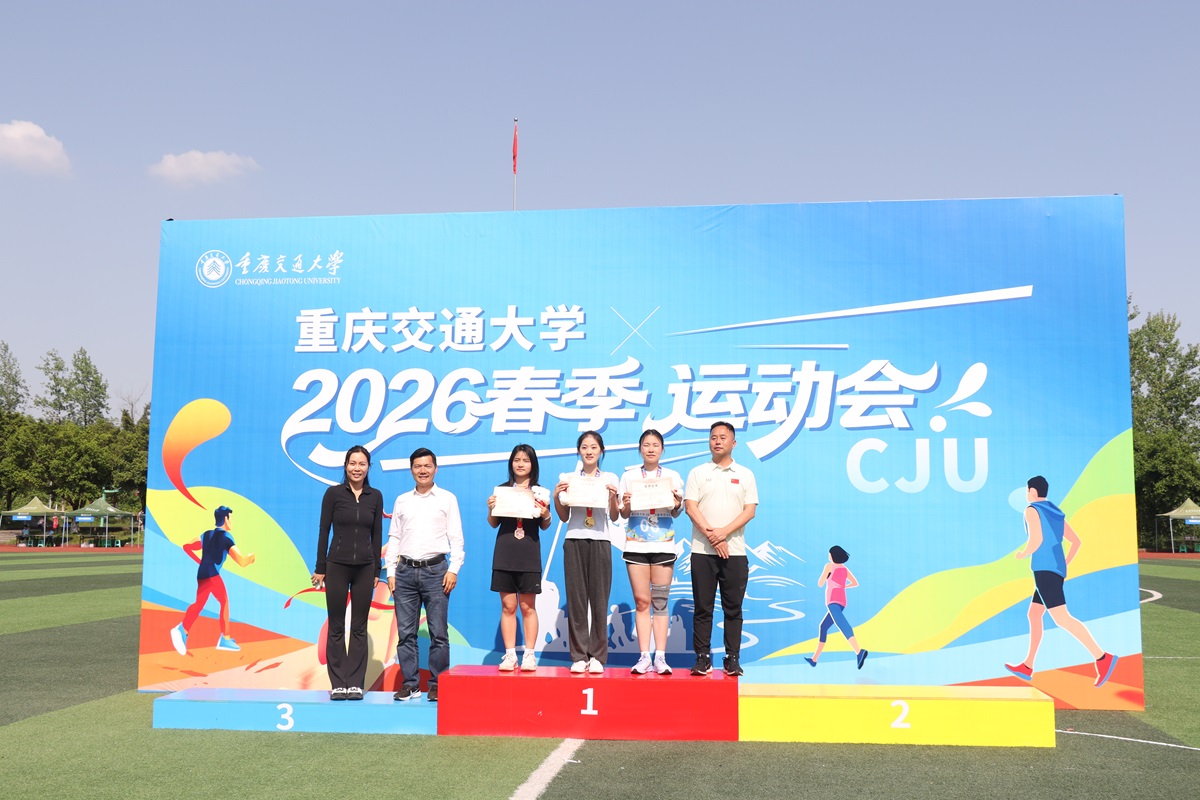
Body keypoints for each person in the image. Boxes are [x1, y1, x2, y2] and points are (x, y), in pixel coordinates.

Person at [1005, 475, 1119, 688]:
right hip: (1055, 569)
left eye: (1027, 490)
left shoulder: (1032, 510)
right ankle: (1028, 665)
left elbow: (1036, 540)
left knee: (1062, 618)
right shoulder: (1055, 511)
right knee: (1034, 613)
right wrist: (1063, 563)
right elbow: (1076, 541)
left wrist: (1023, 554)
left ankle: (1102, 657)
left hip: (1043, 569)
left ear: (1032, 491)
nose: (1027, 493)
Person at [385, 448, 464, 703]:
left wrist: (453, 569)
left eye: (427, 466)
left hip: (436, 572)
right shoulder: (402, 500)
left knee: (438, 633)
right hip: (404, 572)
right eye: (418, 466)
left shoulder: (447, 499)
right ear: (411, 470)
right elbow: (394, 537)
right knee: (405, 633)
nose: (422, 471)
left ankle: (437, 684)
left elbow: (456, 537)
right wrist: (391, 571)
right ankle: (410, 684)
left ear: (435, 469)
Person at [684, 421, 758, 677]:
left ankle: (732, 658)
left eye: (723, 437)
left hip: (734, 552)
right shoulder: (698, 472)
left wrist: (723, 533)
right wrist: (713, 537)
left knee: (733, 608)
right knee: (703, 608)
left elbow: (750, 510)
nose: (717, 441)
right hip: (702, 552)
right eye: (713, 437)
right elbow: (691, 507)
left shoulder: (745, 474)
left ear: (733, 443)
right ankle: (702, 658)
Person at [312, 445, 385, 701]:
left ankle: (354, 683)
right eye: (353, 463)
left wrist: (376, 568)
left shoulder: (375, 496)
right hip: (336, 566)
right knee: (336, 625)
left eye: (362, 464)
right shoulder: (333, 494)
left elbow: (377, 534)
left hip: (365, 568)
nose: (357, 468)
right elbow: (324, 531)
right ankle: (338, 683)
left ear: (368, 467)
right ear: (345, 466)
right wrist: (321, 567)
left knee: (359, 627)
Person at [554, 431, 620, 674]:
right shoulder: (569, 478)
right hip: (574, 539)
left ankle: (598, 656)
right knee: (577, 600)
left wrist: (613, 498)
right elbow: (564, 517)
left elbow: (615, 516)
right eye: (584, 447)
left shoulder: (610, 478)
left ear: (601, 451)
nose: (589, 451)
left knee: (600, 600)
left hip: (601, 540)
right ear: (579, 451)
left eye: (593, 447)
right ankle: (579, 655)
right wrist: (556, 497)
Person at [618, 429, 683, 674]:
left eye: (656, 445)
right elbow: (623, 513)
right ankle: (644, 656)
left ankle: (661, 657)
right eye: (646, 445)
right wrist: (625, 503)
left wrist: (677, 502)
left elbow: (677, 510)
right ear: (640, 449)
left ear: (662, 449)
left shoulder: (672, 477)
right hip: (636, 545)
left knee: (660, 602)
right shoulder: (629, 477)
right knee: (642, 601)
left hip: (663, 545)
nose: (651, 449)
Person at [487, 444, 552, 671]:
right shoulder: (502, 491)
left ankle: (530, 655)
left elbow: (545, 525)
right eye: (517, 460)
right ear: (511, 463)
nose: (521, 464)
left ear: (533, 464)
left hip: (528, 554)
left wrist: (546, 514)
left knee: (527, 606)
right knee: (508, 606)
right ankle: (510, 655)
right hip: (505, 553)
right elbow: (493, 523)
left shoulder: (540, 492)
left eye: (525, 460)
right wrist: (491, 508)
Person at [170, 505, 256, 656]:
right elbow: (242, 562)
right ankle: (224, 639)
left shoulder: (206, 534)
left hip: (202, 574)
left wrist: (199, 561)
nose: (232, 521)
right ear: (226, 519)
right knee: (224, 602)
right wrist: (251, 558)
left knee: (199, 603)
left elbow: (187, 546)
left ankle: (183, 629)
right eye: (231, 518)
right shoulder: (226, 537)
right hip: (213, 575)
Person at [804, 546, 867, 669]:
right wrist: (843, 587)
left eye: (829, 554)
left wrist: (827, 576)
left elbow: (820, 583)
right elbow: (855, 583)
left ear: (833, 555)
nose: (828, 555)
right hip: (842, 601)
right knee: (823, 627)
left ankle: (859, 652)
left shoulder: (829, 566)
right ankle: (814, 659)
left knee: (842, 625)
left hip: (832, 600)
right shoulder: (844, 569)